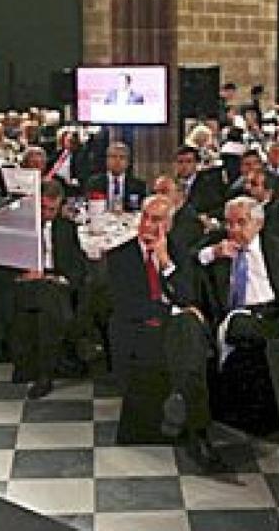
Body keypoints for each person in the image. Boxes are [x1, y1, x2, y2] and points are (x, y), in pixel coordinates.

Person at [104, 195, 216, 464]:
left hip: (173, 329)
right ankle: (198, 431)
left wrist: (165, 262)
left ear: (169, 225)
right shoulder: (120, 256)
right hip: (137, 328)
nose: (149, 226)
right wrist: (173, 311)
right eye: (146, 218)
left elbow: (188, 295)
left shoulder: (179, 253)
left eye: (158, 220)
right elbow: (125, 306)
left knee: (187, 328)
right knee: (188, 326)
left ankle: (181, 400)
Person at [196, 196, 279, 435]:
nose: (233, 230)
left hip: (269, 312)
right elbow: (188, 260)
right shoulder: (219, 245)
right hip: (232, 313)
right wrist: (213, 253)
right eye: (229, 223)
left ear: (258, 224)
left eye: (241, 223)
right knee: (240, 329)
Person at [9, 180, 89, 399]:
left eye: (52, 209)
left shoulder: (67, 228)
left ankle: (43, 373)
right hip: (27, 282)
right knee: (50, 301)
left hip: (56, 281)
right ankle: (54, 365)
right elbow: (5, 261)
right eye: (43, 208)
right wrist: (22, 273)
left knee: (50, 299)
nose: (47, 213)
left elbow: (77, 264)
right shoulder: (21, 227)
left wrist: (64, 278)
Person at [84, 142, 149, 211]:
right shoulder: (94, 183)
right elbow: (88, 207)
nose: (117, 161)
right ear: (107, 160)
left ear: (128, 162)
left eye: (122, 157)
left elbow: (143, 210)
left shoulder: (139, 185)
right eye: (113, 156)